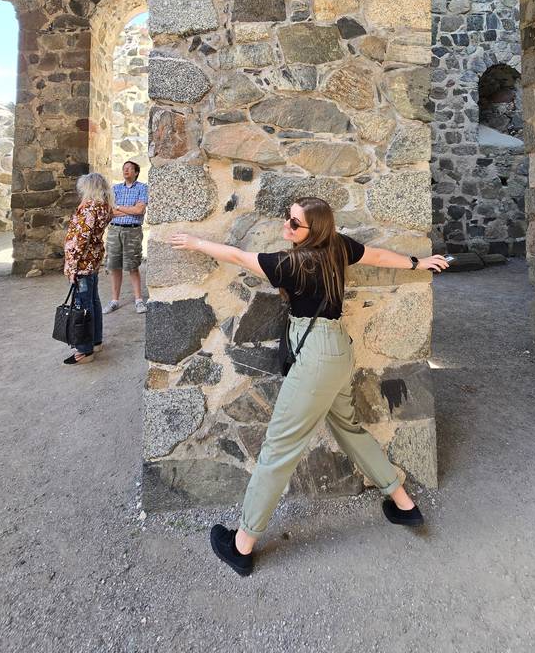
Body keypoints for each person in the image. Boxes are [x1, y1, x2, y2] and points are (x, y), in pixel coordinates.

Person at [170, 196, 450, 576]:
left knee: (280, 446)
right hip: (336, 350)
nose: (286, 227)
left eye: (294, 224)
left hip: (317, 358)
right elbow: (379, 257)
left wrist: (197, 243)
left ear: (313, 230)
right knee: (348, 427)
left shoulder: (294, 263)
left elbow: (238, 257)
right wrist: (419, 263)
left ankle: (242, 544)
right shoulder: (338, 246)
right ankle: (403, 504)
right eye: (288, 219)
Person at [62, 172, 114, 366]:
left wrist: (72, 266)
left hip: (82, 263)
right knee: (93, 301)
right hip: (92, 260)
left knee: (83, 305)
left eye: (83, 187)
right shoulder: (104, 207)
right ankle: (96, 340)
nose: (81, 190)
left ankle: (84, 351)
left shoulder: (89, 208)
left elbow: (79, 239)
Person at [103, 161, 148, 315]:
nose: (125, 170)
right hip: (114, 231)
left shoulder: (142, 188)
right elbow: (110, 212)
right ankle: (114, 301)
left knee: (133, 266)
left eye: (129, 168)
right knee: (114, 266)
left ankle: (138, 300)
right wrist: (130, 210)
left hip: (133, 232)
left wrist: (119, 208)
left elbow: (140, 210)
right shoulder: (115, 189)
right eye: (124, 168)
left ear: (136, 172)